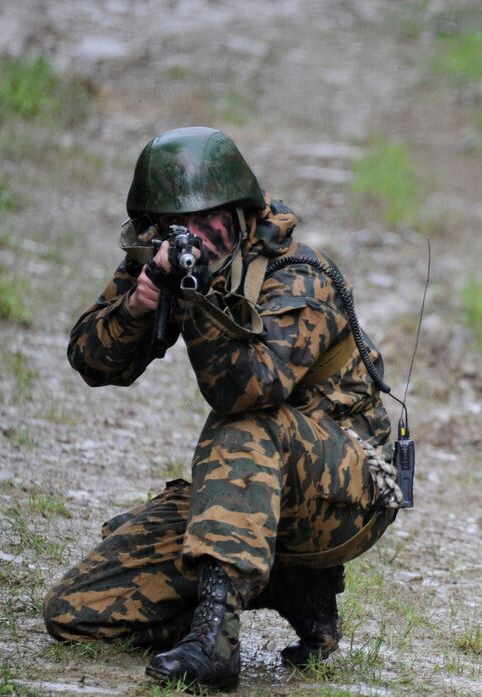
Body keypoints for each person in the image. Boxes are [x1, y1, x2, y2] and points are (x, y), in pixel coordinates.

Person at [43, 127, 402, 690]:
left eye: (203, 221)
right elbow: (92, 360)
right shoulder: (168, 256)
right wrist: (139, 305)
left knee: (243, 423)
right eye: (168, 224)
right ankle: (282, 583)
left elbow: (249, 389)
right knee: (76, 612)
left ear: (239, 213)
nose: (187, 237)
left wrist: (199, 300)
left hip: (347, 490)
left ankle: (214, 640)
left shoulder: (300, 274)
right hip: (258, 489)